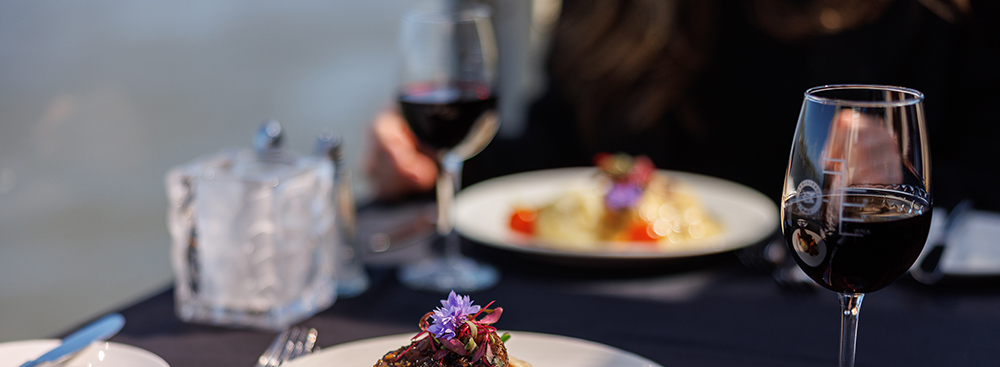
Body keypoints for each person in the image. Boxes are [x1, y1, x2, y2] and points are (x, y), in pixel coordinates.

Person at [366, 0, 998, 210]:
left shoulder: (940, 17)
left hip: (856, 339)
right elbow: (564, 150)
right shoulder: (614, 13)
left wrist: (902, 177)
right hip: (623, 325)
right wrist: (436, 164)